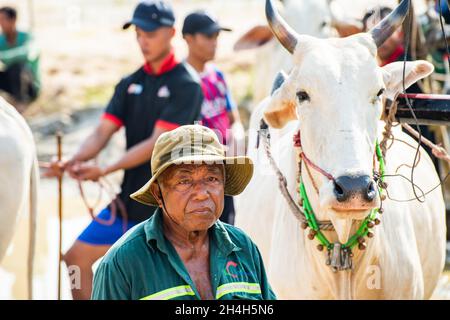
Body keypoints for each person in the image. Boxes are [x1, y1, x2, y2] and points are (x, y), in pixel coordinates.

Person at [44, 0, 203, 300]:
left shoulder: (187, 84)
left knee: (158, 285)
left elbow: (158, 143)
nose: (143, 40)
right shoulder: (129, 83)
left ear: (171, 33)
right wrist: (72, 161)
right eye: (138, 32)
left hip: (170, 208)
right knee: (75, 259)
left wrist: (104, 168)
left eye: (151, 33)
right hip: (129, 202)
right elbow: (101, 131)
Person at [92, 125, 276, 300]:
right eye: (184, 181)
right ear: (158, 193)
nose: (202, 194)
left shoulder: (243, 247)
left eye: (212, 178)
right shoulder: (123, 262)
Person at [182, 11, 243, 225]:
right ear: (188, 38)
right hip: (197, 176)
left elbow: (233, 119)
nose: (215, 43)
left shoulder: (217, 76)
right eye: (209, 37)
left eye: (217, 36)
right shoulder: (180, 81)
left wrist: (235, 150)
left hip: (224, 171)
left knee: (227, 227)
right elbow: (181, 134)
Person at [0, 6, 40, 108]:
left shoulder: (27, 36)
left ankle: (21, 103)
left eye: (3, 20)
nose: (1, 24)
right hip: (11, 83)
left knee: (17, 67)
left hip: (29, 84)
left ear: (13, 20)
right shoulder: (1, 40)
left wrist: (4, 55)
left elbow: (28, 53)